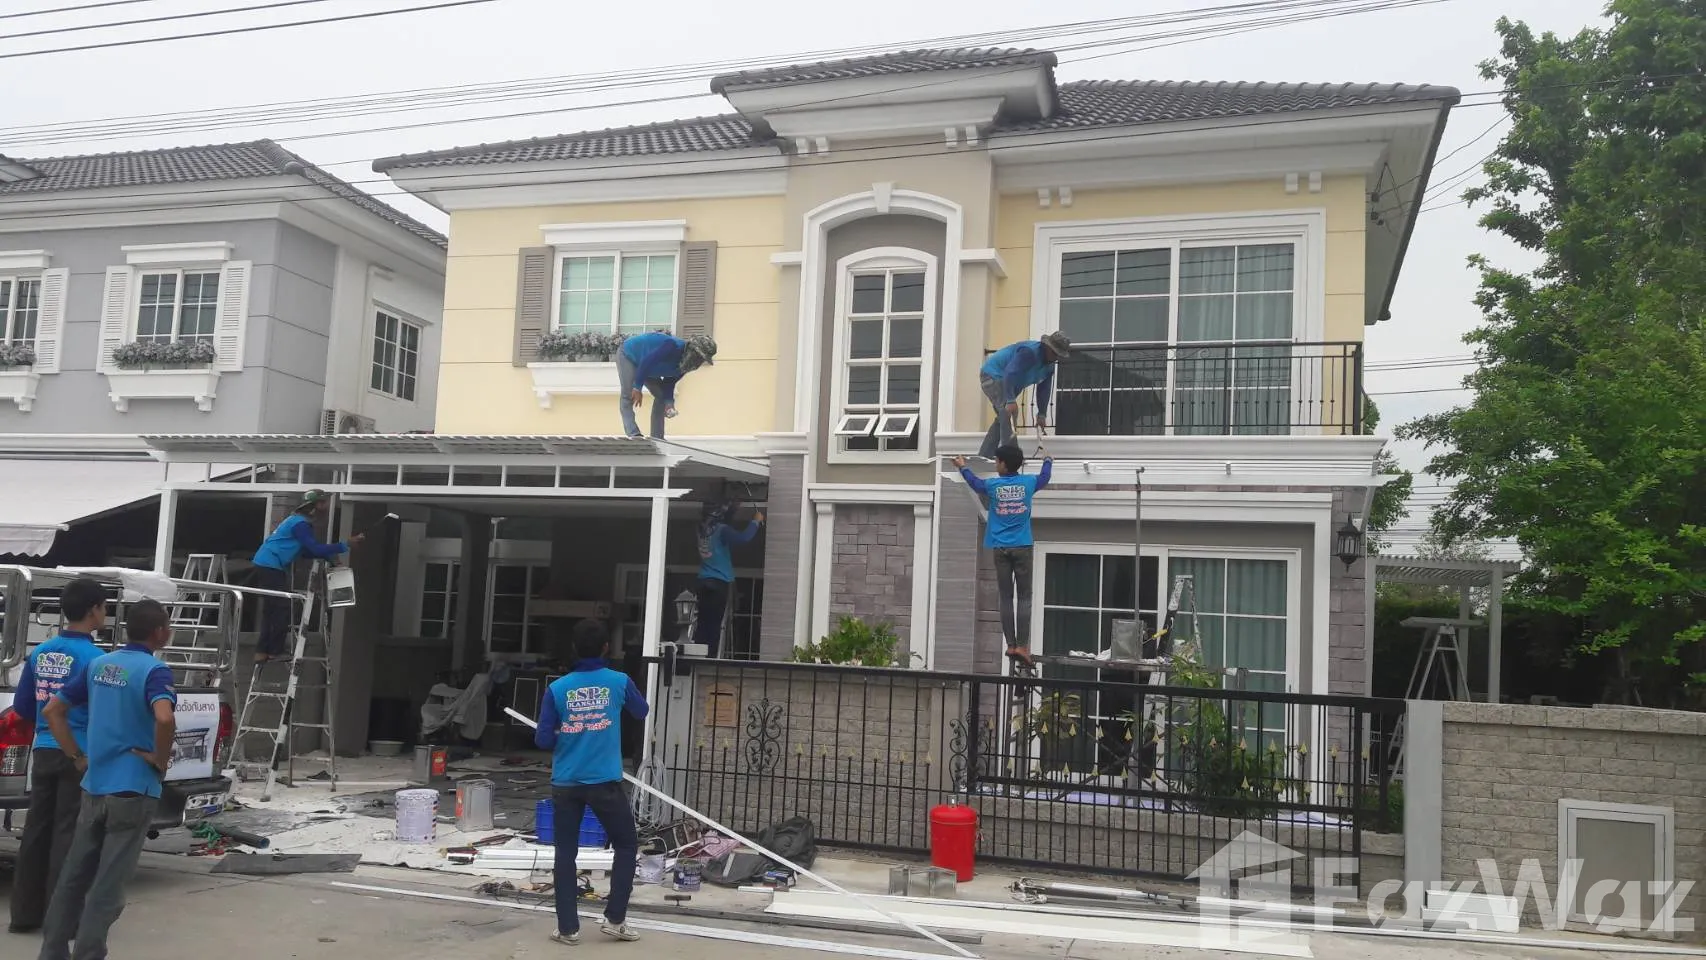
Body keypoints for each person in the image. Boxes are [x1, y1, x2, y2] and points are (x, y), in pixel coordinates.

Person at [37, 598, 177, 960]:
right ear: (159, 633)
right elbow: (164, 718)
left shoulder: (99, 665)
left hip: (94, 785)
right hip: (133, 788)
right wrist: (160, 758)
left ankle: (52, 952)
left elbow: (53, 710)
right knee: (108, 886)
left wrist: (77, 757)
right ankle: (88, 953)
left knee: (73, 877)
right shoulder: (155, 671)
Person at [535, 619, 649, 945]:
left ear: (574, 648)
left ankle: (568, 928)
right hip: (604, 782)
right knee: (625, 845)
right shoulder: (618, 681)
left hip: (566, 782)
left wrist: (566, 729)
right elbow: (641, 711)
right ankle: (615, 919)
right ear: (606, 648)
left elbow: (543, 740)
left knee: (565, 853)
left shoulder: (558, 689)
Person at [8, 577, 107, 935]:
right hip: (78, 754)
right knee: (70, 834)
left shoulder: (41, 652)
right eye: (105, 607)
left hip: (44, 751)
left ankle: (24, 915)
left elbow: (23, 707)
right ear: (94, 610)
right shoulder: (97, 659)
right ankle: (61, 918)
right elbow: (104, 713)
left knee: (36, 830)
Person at [955, 445, 1053, 669]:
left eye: (997, 461)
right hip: (1022, 545)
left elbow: (975, 483)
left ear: (1003, 464)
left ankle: (1011, 644)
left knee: (1006, 596)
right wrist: (1048, 459)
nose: (995, 464)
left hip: (1000, 547)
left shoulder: (992, 485)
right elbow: (1045, 477)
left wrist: (963, 467)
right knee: (1024, 597)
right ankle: (1022, 646)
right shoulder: (1028, 483)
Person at [250, 489, 362, 662]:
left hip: (267, 564)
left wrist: (329, 557)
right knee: (281, 607)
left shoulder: (296, 521)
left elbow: (307, 551)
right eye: (323, 503)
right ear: (314, 506)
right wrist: (344, 545)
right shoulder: (301, 524)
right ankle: (274, 651)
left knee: (271, 609)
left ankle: (262, 651)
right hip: (270, 565)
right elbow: (314, 548)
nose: (327, 507)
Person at [978, 331, 1072, 459]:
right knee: (1009, 413)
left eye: (1059, 355)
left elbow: (1044, 389)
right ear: (1047, 347)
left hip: (1009, 383)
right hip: (993, 376)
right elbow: (1010, 373)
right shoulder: (1029, 353)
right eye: (1055, 353)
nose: (1056, 358)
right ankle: (1010, 457)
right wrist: (1010, 399)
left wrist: (1042, 414)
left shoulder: (1049, 367)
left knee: (1002, 419)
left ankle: (984, 455)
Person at [693, 501, 764, 657]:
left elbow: (723, 523)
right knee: (714, 625)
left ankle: (697, 656)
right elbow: (743, 538)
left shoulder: (701, 530)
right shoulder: (722, 530)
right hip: (718, 582)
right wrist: (756, 521)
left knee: (703, 624)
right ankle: (709, 659)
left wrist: (732, 508)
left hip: (703, 581)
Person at [616, 332, 717, 440]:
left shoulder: (686, 365)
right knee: (628, 395)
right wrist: (637, 387)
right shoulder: (671, 346)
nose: (699, 361)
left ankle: (657, 437)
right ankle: (633, 433)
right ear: (691, 349)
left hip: (648, 368)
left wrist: (669, 403)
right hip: (629, 355)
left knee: (661, 396)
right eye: (699, 356)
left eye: (702, 359)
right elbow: (647, 362)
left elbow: (669, 383)